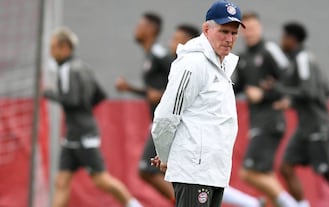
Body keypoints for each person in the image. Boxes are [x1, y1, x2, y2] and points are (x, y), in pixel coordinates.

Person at [150, 0, 245, 206]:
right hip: (195, 172)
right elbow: (166, 116)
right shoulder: (194, 64)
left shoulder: (222, 64)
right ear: (206, 29)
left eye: (234, 33)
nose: (229, 39)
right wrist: (166, 156)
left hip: (213, 171)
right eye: (223, 31)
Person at [44, 27, 142, 207]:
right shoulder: (83, 67)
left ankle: (134, 204)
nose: (51, 53)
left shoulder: (67, 68)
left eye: (53, 48)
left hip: (83, 135)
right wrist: (85, 113)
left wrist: (49, 94)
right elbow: (100, 95)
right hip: (73, 135)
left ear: (65, 47)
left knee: (101, 180)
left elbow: (72, 100)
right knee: (62, 181)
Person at [265, 22, 329, 207]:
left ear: (292, 39)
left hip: (318, 126)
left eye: (284, 37)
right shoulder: (302, 60)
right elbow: (325, 90)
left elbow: (309, 91)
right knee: (286, 167)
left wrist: (279, 89)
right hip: (304, 128)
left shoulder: (303, 59)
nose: (281, 41)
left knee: (328, 173)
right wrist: (291, 101)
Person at [232, 12, 298, 207]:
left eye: (253, 28)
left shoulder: (269, 50)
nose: (250, 32)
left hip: (271, 121)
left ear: (260, 28)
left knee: (248, 173)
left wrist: (265, 94)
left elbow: (291, 78)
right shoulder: (243, 58)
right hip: (257, 121)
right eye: (246, 29)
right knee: (265, 174)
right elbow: (237, 87)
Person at [115, 12, 176, 204]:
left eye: (140, 25)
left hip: (166, 123)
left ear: (151, 29)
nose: (136, 29)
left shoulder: (159, 54)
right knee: (157, 171)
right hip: (159, 123)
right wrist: (130, 88)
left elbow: (180, 78)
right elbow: (152, 93)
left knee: (147, 169)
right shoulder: (150, 56)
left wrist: (164, 92)